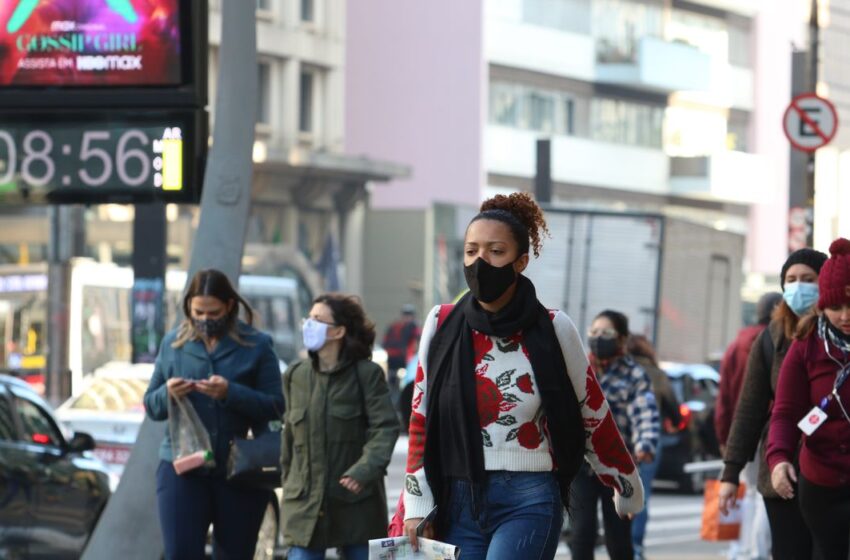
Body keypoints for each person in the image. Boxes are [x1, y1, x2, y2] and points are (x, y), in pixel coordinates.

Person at [402, 192, 645, 560]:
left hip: (529, 498)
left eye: (495, 251)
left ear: (521, 262)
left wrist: (624, 483)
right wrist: (416, 503)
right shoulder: (441, 323)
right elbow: (421, 418)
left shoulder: (553, 327)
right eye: (471, 251)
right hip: (457, 498)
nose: (480, 262)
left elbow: (591, 410)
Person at [143, 269, 285, 560]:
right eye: (198, 312)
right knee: (180, 553)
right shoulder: (174, 345)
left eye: (213, 312)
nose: (205, 319)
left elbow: (275, 405)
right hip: (183, 467)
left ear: (230, 306)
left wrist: (230, 393)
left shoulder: (257, 345)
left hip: (239, 470)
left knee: (235, 554)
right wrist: (167, 392)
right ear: (188, 309)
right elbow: (152, 407)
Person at [719, 248, 827, 560]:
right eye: (791, 280)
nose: (799, 287)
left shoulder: (836, 334)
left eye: (808, 279)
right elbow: (749, 409)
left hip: (831, 467)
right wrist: (730, 472)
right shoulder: (771, 338)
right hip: (781, 470)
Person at [281, 293, 399, 560]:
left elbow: (385, 428)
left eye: (318, 319)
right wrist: (289, 485)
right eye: (308, 318)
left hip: (356, 502)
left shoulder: (366, 375)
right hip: (305, 503)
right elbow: (288, 440)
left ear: (338, 331)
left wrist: (364, 470)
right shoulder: (295, 376)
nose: (309, 324)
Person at [767, 238, 850, 560]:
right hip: (821, 480)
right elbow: (786, 412)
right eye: (835, 307)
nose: (845, 316)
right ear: (821, 306)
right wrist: (779, 459)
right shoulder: (806, 346)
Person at [571, 311, 659, 560]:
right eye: (594, 332)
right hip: (582, 465)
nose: (599, 338)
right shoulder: (579, 368)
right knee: (581, 533)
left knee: (618, 538)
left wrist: (645, 444)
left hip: (619, 467)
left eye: (606, 333)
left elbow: (644, 412)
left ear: (621, 339)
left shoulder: (634, 375)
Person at [715, 291, 781, 560]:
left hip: (739, 432)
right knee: (764, 492)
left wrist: (724, 438)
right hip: (771, 430)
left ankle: (741, 550)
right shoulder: (777, 341)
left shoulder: (737, 344)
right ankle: (758, 551)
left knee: (746, 493)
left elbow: (725, 397)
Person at [627, 334, 680, 560]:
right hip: (648, 441)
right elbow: (674, 409)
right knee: (642, 493)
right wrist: (673, 423)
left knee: (617, 491)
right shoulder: (657, 375)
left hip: (620, 439)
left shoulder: (618, 371)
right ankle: (636, 546)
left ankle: (618, 541)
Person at [716, 292, 783, 451]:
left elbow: (724, 397)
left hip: (742, 434)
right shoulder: (783, 344)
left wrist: (725, 439)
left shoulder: (735, 347)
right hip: (778, 433)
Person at [383, 304, 421, 402]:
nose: (407, 317)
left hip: (405, 361)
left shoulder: (412, 328)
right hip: (397, 360)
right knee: (395, 384)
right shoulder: (398, 327)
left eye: (409, 315)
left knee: (398, 384)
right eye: (406, 315)